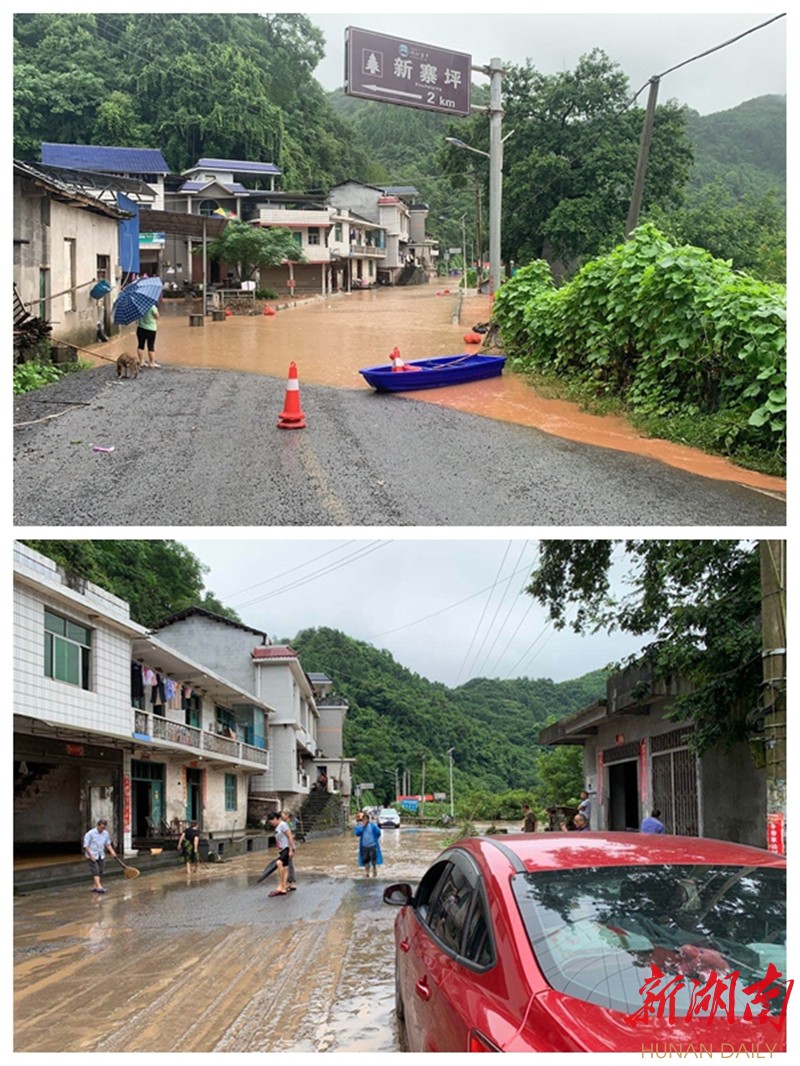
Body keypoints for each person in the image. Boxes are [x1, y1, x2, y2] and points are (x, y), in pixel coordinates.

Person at [83, 818, 117, 893]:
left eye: (104, 828)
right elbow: (86, 846)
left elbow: (107, 844)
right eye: (101, 827)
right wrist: (91, 855)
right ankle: (99, 886)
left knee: (101, 870)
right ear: (97, 826)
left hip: (100, 854)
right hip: (92, 854)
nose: (102, 829)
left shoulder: (105, 833)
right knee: (95, 870)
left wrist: (112, 851)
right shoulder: (90, 834)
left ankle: (95, 886)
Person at [266, 811, 296, 896]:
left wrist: (291, 849)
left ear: (276, 819)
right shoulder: (277, 827)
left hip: (287, 848)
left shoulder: (283, 825)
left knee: (279, 863)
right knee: (285, 867)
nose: (271, 823)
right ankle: (283, 887)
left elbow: (290, 837)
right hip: (282, 849)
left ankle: (281, 884)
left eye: (271, 821)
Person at [354, 811, 383, 878]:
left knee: (373, 860)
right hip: (364, 847)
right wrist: (362, 827)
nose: (365, 821)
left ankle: (374, 870)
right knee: (366, 860)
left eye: (366, 819)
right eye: (363, 819)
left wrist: (375, 839)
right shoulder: (360, 827)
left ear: (368, 820)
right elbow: (357, 834)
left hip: (372, 846)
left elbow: (378, 833)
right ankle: (367, 872)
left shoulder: (372, 826)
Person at [136, 303, 160, 368]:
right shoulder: (152, 306)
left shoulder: (139, 306)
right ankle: (152, 363)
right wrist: (157, 311)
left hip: (140, 328)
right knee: (151, 346)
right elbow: (157, 316)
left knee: (140, 345)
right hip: (151, 329)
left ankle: (141, 361)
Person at [281, 810, 298, 890]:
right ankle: (287, 882)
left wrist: (292, 848)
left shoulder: (288, 824)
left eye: (283, 815)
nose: (281, 816)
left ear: (287, 815)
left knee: (289, 865)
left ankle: (292, 881)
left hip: (289, 846)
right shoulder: (282, 824)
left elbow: (291, 837)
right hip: (284, 847)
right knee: (285, 865)